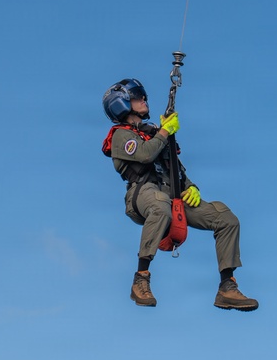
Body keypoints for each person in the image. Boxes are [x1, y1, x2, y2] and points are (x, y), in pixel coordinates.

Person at [101, 78, 259, 311]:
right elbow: (145, 155)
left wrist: (191, 187)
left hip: (171, 192)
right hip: (142, 193)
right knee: (159, 204)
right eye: (137, 97)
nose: (144, 99)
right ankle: (141, 278)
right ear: (122, 104)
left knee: (226, 219)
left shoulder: (155, 134)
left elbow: (177, 168)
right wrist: (164, 132)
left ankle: (227, 285)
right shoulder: (121, 136)